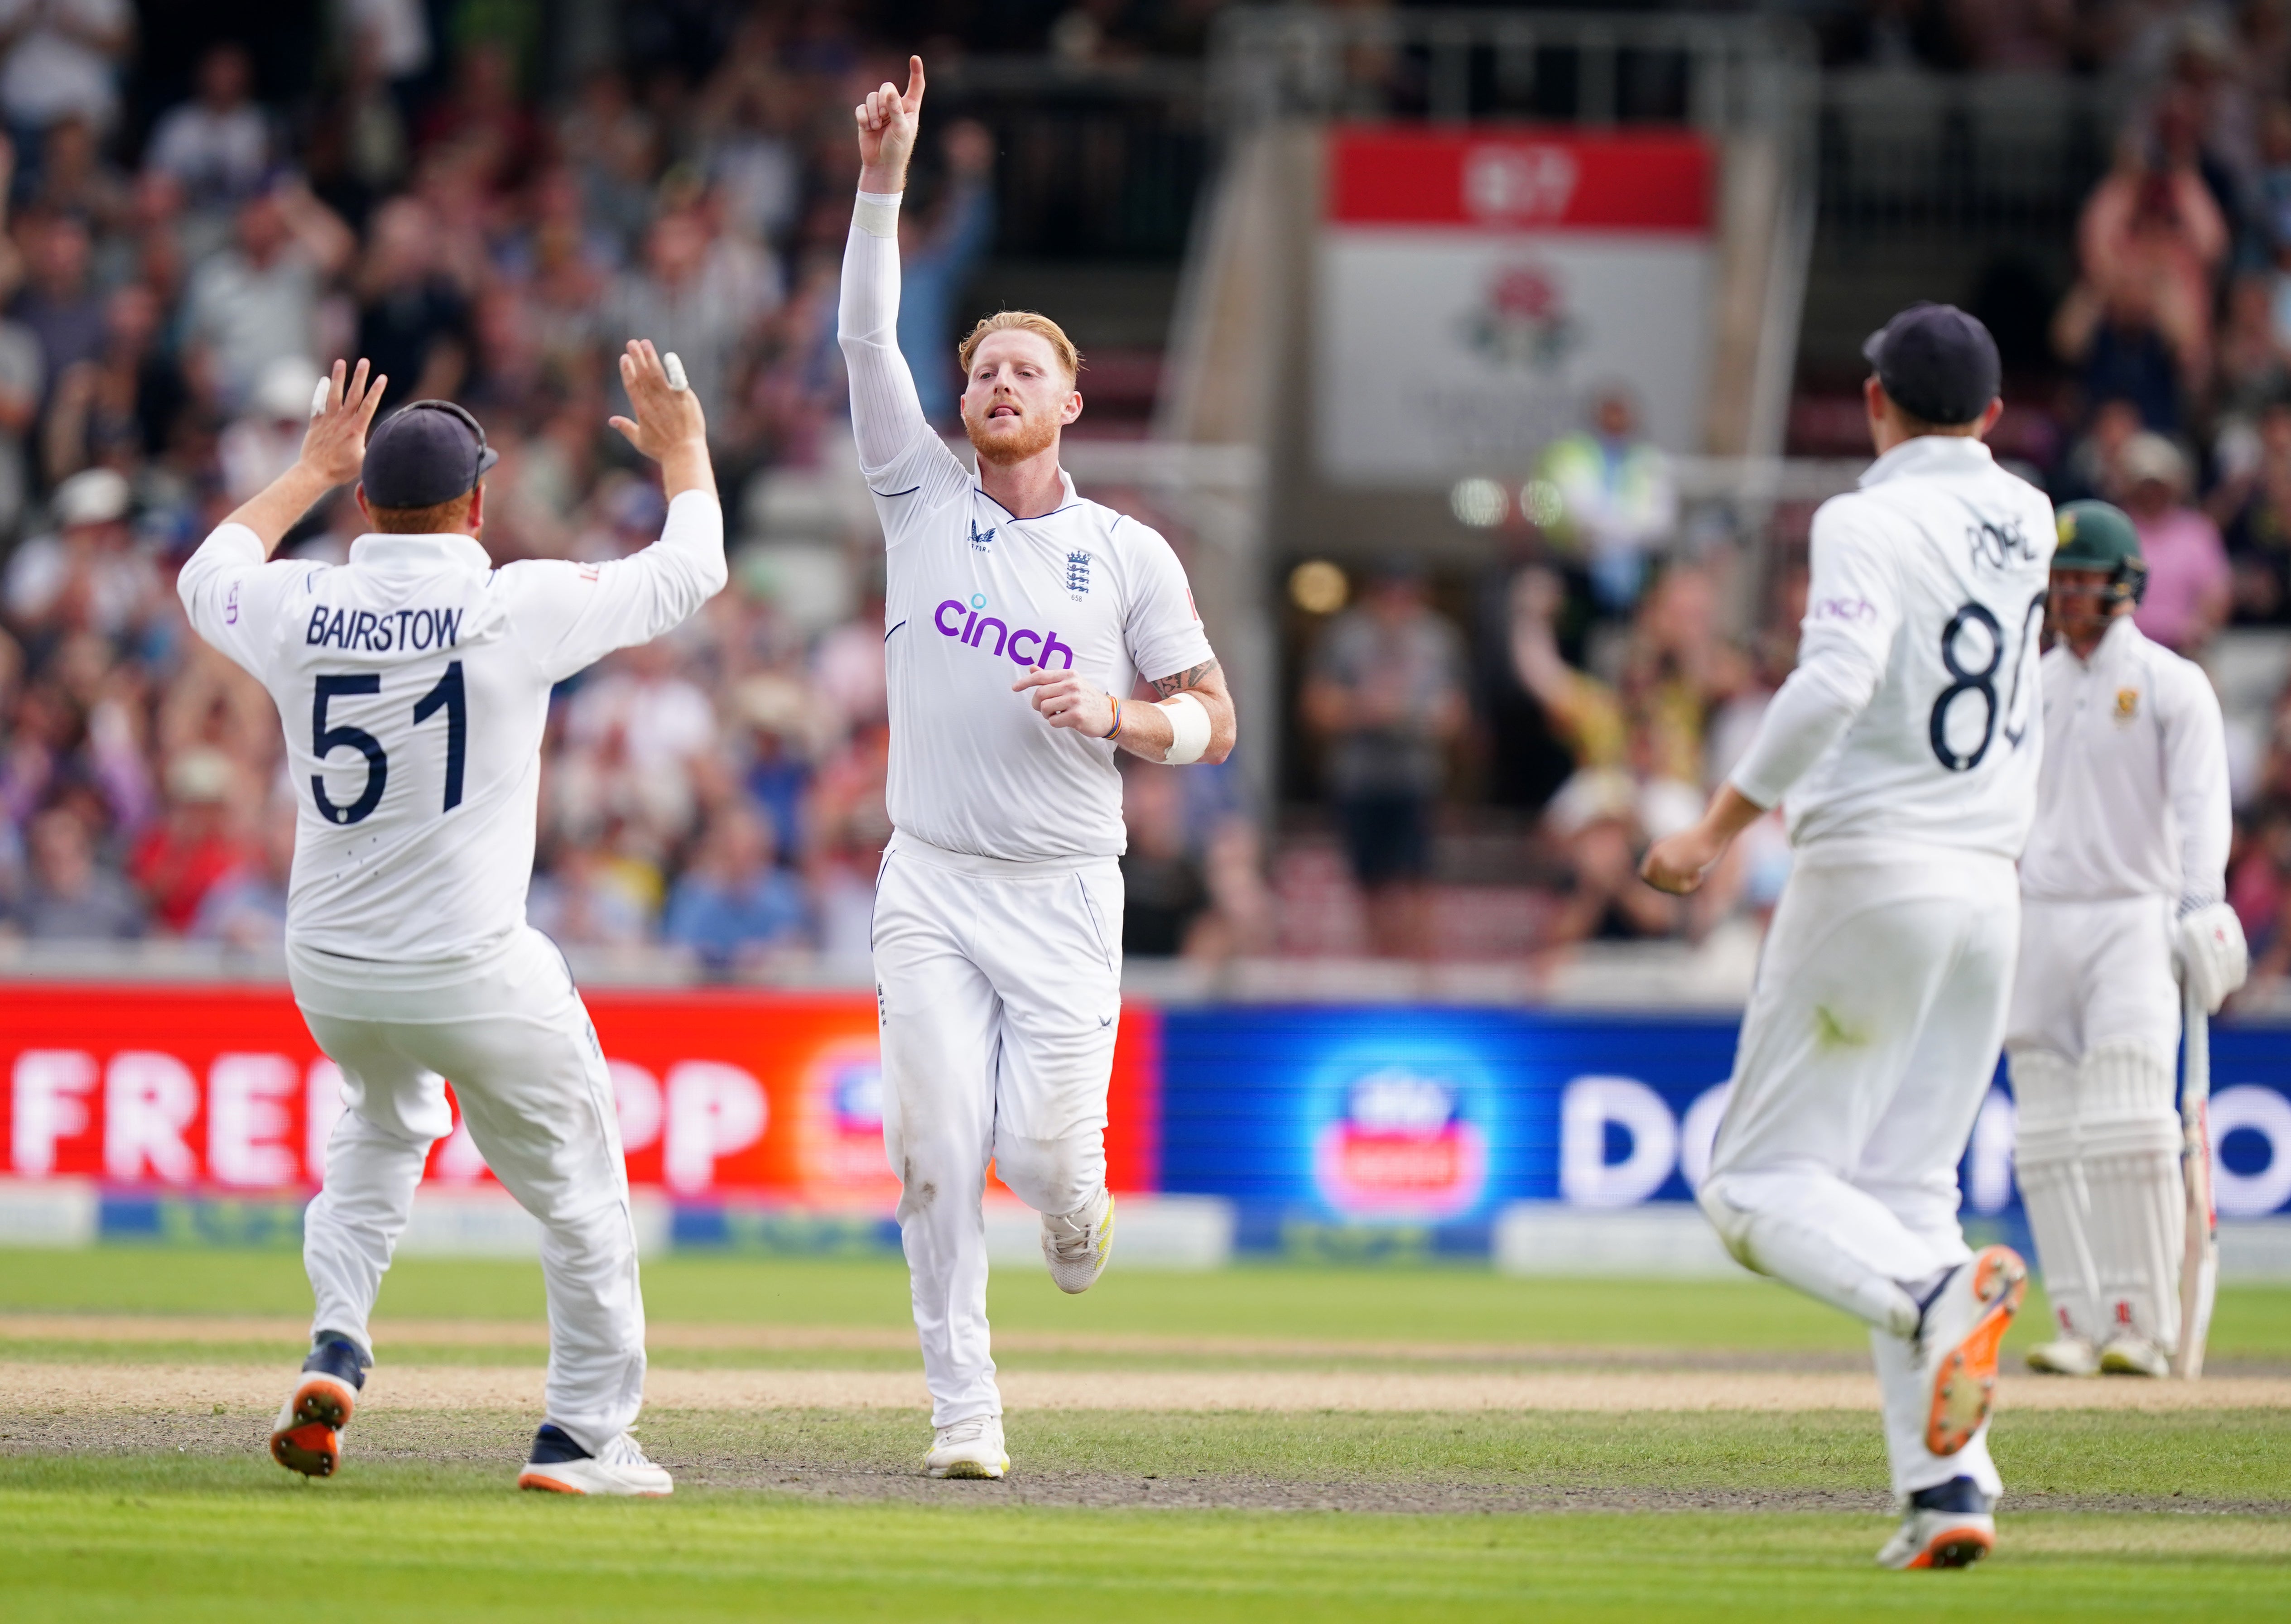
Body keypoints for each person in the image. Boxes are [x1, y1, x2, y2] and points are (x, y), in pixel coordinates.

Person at [175, 342, 726, 1495]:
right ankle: (581, 1436)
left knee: (378, 1129)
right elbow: (691, 573)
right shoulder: (510, 601)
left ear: (365, 499)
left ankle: (338, 1340)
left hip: (329, 969)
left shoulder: (294, 602)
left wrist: (302, 473)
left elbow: (204, 573)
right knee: (579, 1187)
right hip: (471, 968)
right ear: (478, 502)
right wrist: (683, 452)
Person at [841, 57, 1236, 1481]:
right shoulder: (919, 497)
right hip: (932, 878)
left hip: (1068, 890)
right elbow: (866, 341)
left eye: (1027, 367)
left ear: (1071, 399)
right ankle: (966, 1411)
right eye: (983, 367)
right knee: (934, 1147)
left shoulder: (1126, 552)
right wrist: (885, 181)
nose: (998, 379)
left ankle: (1080, 1209)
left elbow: (1216, 715)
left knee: (1045, 1166)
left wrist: (1124, 717)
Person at [1641, 303, 2052, 1571]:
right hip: (1991, 889)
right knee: (1905, 1191)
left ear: (1873, 400)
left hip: (1875, 868)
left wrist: (1715, 829)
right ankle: (1950, 1491)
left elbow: (1833, 679)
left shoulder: (1863, 518)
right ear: (1990, 415)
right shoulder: (2029, 514)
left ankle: (1935, 1303)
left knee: (1750, 1186)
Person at [2007, 500, 2247, 1379]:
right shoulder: (2031, 683)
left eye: (2083, 580)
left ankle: (2139, 1323)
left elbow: (2199, 806)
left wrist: (2198, 901)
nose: (2068, 596)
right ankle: (2077, 1317)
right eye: (2059, 581)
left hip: (2134, 914)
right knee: (2046, 1132)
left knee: (2131, 1128)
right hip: (2040, 913)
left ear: (2124, 585)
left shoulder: (2169, 682)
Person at [1300, 560, 1467, 958]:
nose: (1397, 606)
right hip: (1360, 779)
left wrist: (1409, 713)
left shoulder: (1438, 640)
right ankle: (1380, 967)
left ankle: (1421, 974)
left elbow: (1457, 716)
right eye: (1389, 596)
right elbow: (1315, 706)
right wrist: (1365, 708)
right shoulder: (1345, 638)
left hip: (1417, 778)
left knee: (1418, 880)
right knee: (1369, 883)